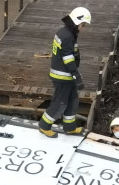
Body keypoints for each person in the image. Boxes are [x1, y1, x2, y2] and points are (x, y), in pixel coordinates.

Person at [39, 7, 91, 138]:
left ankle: (69, 127)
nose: (83, 28)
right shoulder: (68, 36)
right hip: (62, 76)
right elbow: (67, 58)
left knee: (73, 101)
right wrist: (76, 75)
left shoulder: (65, 32)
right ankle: (44, 126)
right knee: (60, 103)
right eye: (83, 25)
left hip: (66, 75)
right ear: (77, 22)